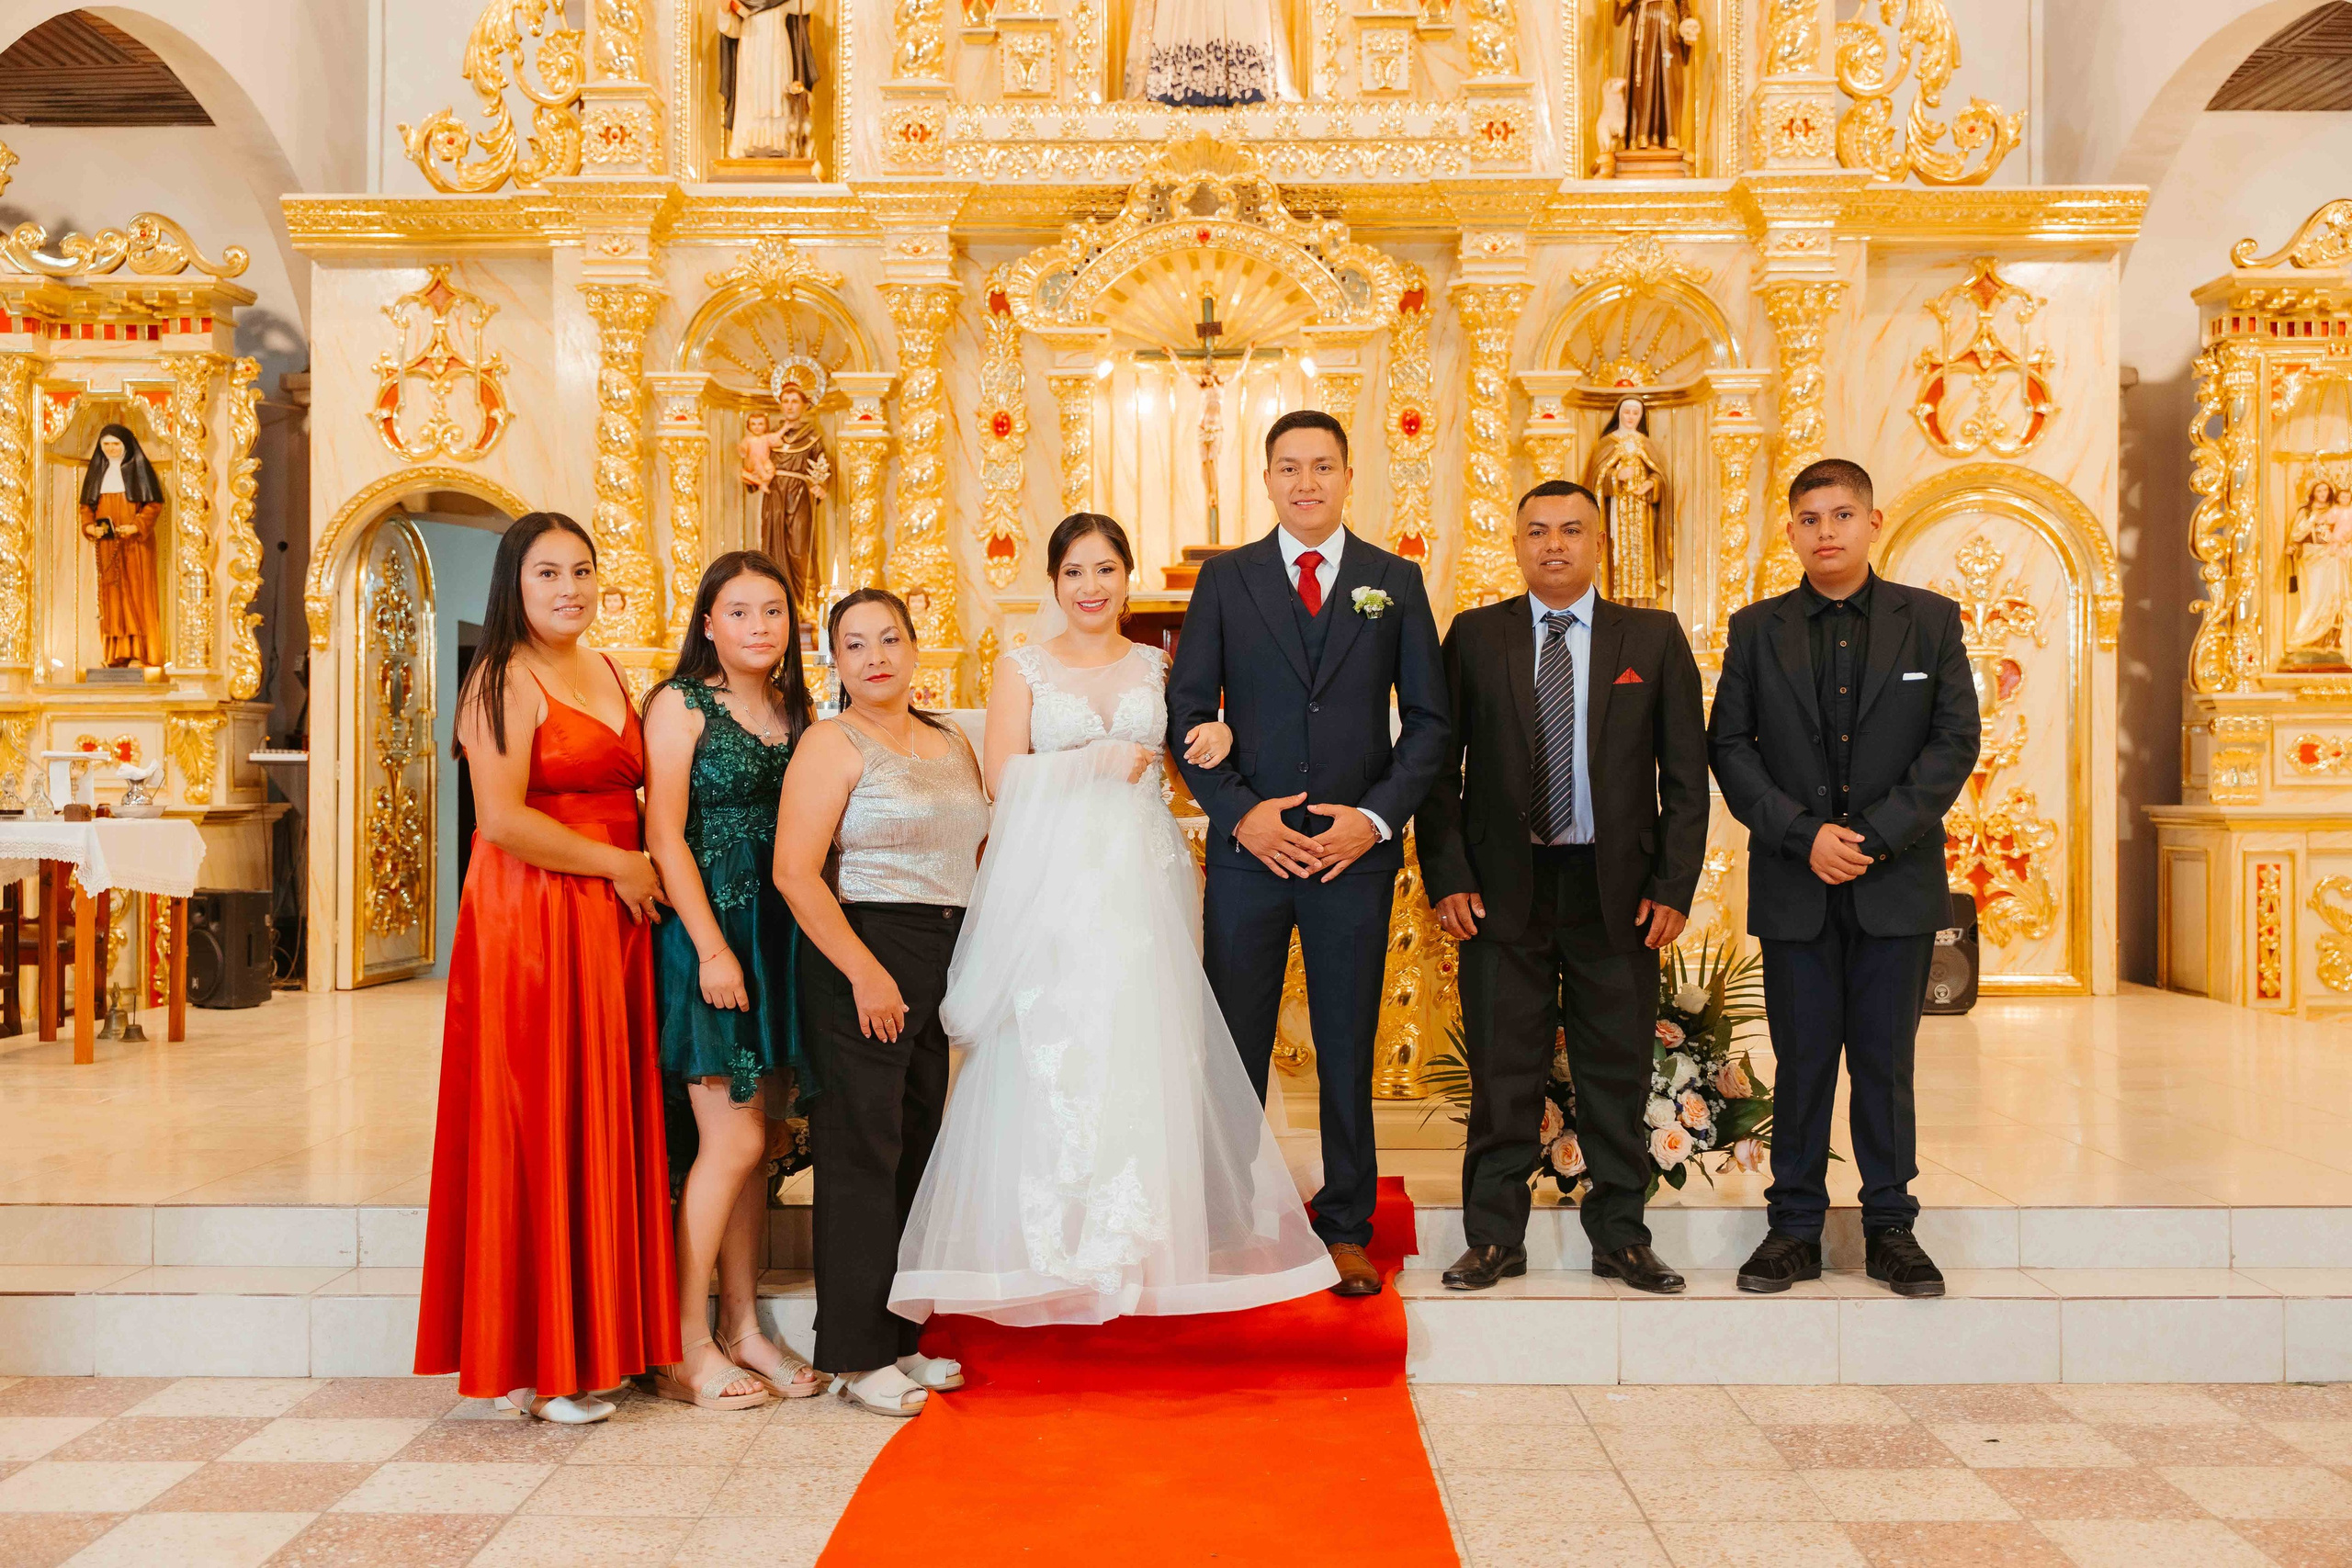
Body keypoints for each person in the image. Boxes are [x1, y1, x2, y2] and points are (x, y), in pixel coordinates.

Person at [892, 514, 1339, 1329]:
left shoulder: (1157, 664)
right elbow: (1000, 776)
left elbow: (1187, 753)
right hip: (1056, 882)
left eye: (1104, 569)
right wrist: (1088, 762)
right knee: (1057, 1041)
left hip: (1144, 874)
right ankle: (1051, 1241)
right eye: (1073, 572)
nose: (1090, 586)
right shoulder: (1022, 666)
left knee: (1148, 1037)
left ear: (1127, 578)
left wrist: (1218, 732)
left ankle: (1148, 1241)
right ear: (1054, 583)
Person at [1166, 409, 1450, 1297]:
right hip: (1253, 854)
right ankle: (1228, 1219)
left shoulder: (1391, 580)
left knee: (1345, 1041)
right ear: (1267, 479)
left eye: (1322, 465)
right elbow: (1185, 714)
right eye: (1288, 467)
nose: (1306, 482)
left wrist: (1374, 819)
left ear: (1348, 473)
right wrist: (1242, 815)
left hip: (1349, 856)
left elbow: (1433, 724)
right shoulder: (1227, 581)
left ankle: (1344, 1227)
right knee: (1234, 1041)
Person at [1417, 479, 1710, 1295]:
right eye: (1538, 530)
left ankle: (1620, 1236)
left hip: (1615, 892)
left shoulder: (1649, 638)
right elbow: (1439, 771)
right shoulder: (1477, 637)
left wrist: (1674, 885)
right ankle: (1493, 1238)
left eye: (1572, 529)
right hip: (1503, 891)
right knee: (1503, 1074)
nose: (1555, 543)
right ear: (1516, 544)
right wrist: (1449, 876)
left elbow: (1686, 775)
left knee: (1615, 1072)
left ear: (1598, 543)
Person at [415, 513, 677, 1424]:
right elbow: (500, 819)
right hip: (534, 911)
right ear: (513, 587)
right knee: (541, 1117)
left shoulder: (606, 669)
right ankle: (543, 1360)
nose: (569, 588)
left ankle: (601, 1340)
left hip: (610, 917)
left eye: (581, 570)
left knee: (598, 1113)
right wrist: (620, 864)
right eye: (546, 574)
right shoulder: (500, 675)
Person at [1708, 458, 1980, 1298]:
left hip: (1892, 882)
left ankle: (1892, 1226)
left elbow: (1952, 742)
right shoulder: (1756, 629)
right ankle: (1792, 1228)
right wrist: (1802, 834)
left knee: (1885, 1059)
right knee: (1802, 1059)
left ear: (1873, 521)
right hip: (1797, 881)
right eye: (1809, 518)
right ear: (1789, 530)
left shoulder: (1929, 622)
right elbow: (1731, 746)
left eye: (1841, 515)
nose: (1826, 531)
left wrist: (1869, 836)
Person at [775, 588, 990, 1416]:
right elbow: (795, 871)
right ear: (835, 660)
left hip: (942, 945)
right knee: (861, 1148)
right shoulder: (832, 743)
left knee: (915, 1144)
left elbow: (973, 843)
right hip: (859, 946)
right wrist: (866, 971)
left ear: (913, 644)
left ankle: (900, 1337)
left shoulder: (948, 738)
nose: (876, 655)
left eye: (889, 638)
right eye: (855, 643)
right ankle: (855, 1354)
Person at [642, 551, 827, 1410]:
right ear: (708, 622)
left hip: (780, 935)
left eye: (774, 612)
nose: (760, 626)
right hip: (711, 933)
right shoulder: (681, 705)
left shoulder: (796, 708)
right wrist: (713, 948)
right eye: (740, 611)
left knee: (762, 1146)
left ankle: (745, 1327)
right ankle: (681, 1342)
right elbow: (666, 835)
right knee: (733, 1140)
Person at [78, 424, 164, 668]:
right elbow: (87, 507)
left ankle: (141, 654)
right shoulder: (98, 472)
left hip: (136, 545)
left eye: (116, 444)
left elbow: (153, 505)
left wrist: (137, 526)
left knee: (137, 595)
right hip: (107, 545)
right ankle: (116, 655)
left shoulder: (138, 470)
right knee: (112, 598)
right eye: (106, 445)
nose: (111, 449)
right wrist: (89, 527)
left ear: (126, 445)